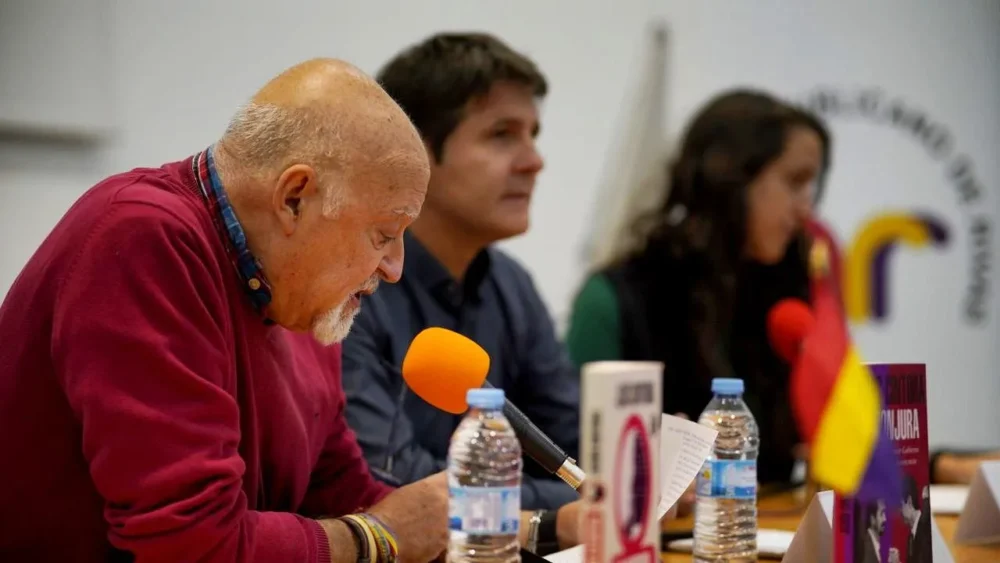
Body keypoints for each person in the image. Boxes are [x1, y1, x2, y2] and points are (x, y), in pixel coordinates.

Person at [0, 58, 581, 562]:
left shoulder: (299, 297)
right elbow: (192, 545)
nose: (394, 268)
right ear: (295, 198)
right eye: (384, 234)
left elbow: (344, 494)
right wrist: (382, 538)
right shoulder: (143, 241)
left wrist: (536, 528)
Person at [341, 32, 581, 514]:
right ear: (418, 151)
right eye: (502, 134)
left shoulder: (512, 284)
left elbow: (575, 447)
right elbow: (393, 484)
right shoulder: (351, 286)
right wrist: (572, 502)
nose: (534, 161)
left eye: (532, 135)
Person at [565, 89, 830, 492]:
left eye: (812, 186)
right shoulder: (617, 297)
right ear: (730, 178)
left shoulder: (792, 288)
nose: (805, 209)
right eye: (795, 182)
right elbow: (575, 457)